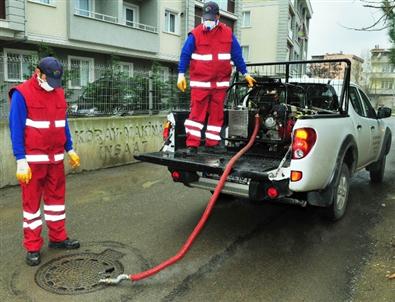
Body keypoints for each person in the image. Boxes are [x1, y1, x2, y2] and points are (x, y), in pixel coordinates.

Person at [9, 56, 81, 266]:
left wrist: (70, 148)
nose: (53, 86)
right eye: (49, 80)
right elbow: (16, 128)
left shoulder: (58, 92)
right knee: (31, 206)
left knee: (56, 202)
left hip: (56, 159)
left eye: (55, 82)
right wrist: (20, 159)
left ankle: (58, 238)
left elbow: (62, 123)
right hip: (32, 162)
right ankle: (32, 246)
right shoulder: (22, 94)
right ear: (38, 73)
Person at [177, 1, 256, 154]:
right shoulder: (195, 34)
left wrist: (245, 73)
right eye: (205, 17)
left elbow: (237, 55)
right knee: (196, 115)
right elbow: (185, 54)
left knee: (216, 114)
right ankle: (192, 145)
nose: (207, 21)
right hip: (200, 84)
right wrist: (180, 74)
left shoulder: (227, 34)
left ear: (218, 17)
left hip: (219, 85)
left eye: (211, 18)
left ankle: (212, 143)